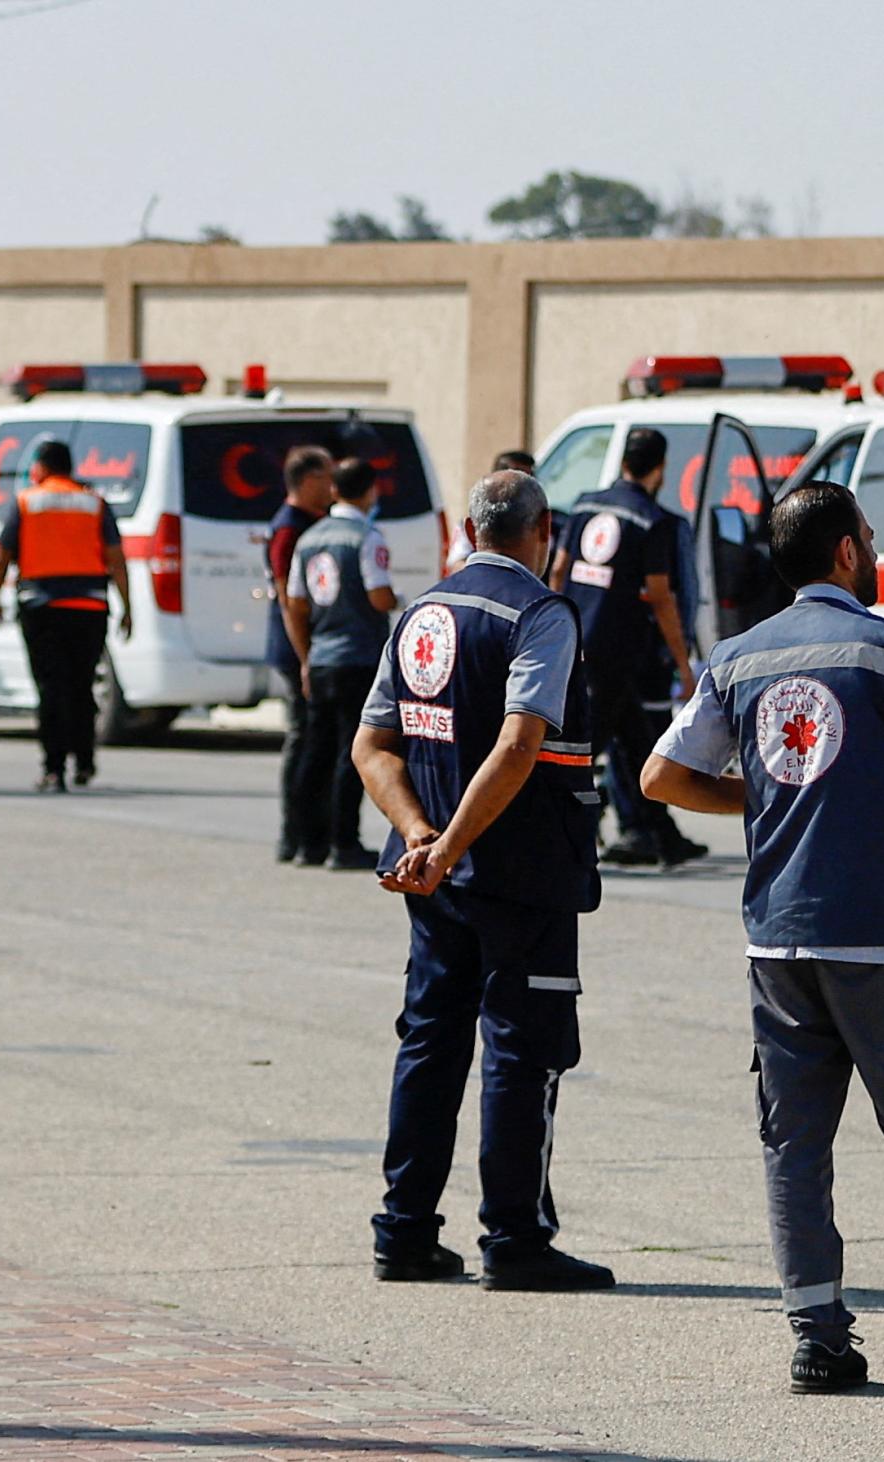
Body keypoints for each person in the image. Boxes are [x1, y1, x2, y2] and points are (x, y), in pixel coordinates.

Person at [642, 482, 884, 1397]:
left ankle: (819, 1340)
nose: (873, 551)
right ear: (845, 552)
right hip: (882, 941)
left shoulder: (737, 657)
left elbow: (660, 777)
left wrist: (763, 802)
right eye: (869, 538)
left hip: (779, 947)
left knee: (795, 1147)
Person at [352, 468, 615, 1293]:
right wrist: (453, 844)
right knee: (522, 1052)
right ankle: (516, 1237)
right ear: (542, 534)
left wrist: (421, 837)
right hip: (521, 872)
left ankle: (404, 1230)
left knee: (430, 1044)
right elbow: (518, 744)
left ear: (469, 532)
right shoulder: (540, 612)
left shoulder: (421, 614)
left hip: (438, 879)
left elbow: (373, 747)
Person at [550, 428, 704, 868]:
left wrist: (559, 629)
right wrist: (682, 662)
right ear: (660, 468)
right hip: (617, 651)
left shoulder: (584, 504)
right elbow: (660, 596)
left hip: (581, 643)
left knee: (638, 742)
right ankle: (554, 826)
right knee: (584, 747)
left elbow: (559, 571)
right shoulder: (649, 520)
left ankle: (659, 832)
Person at [0, 436, 133, 793]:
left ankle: (54, 768)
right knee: (81, 686)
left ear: (41, 467)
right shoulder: (94, 503)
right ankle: (84, 760)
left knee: (51, 687)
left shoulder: (26, 502)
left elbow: (3, 555)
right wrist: (129, 607)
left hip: (41, 607)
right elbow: (116, 559)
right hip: (89, 607)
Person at [284, 456, 399, 869]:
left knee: (316, 752)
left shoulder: (310, 537)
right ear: (371, 490)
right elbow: (378, 595)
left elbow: (295, 603)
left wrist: (305, 657)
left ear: (334, 490)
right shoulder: (367, 537)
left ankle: (306, 842)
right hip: (359, 656)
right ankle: (343, 842)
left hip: (322, 656)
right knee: (354, 753)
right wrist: (399, 602)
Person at [267, 445, 336, 860]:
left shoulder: (313, 523)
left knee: (318, 740)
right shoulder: (290, 528)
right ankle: (295, 834)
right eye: (325, 477)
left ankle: (313, 833)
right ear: (307, 480)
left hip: (315, 647)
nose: (332, 485)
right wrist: (306, 657)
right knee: (305, 740)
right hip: (300, 648)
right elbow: (287, 598)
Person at [445, 450, 532, 573]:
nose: (526, 487)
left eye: (530, 478)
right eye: (518, 479)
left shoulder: (545, 523)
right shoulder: (475, 522)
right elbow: (456, 565)